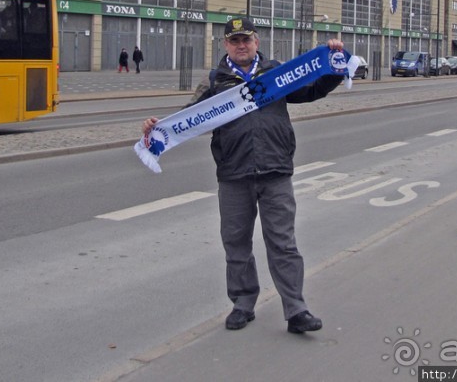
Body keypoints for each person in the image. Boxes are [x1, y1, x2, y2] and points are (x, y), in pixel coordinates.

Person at [142, 17, 345, 335]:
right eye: (234, 40)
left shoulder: (276, 73)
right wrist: (158, 129)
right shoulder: (215, 81)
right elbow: (190, 117)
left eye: (246, 40)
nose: (241, 45)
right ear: (226, 45)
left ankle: (296, 309)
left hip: (275, 171)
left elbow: (312, 90)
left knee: (283, 244)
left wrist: (334, 66)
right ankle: (243, 304)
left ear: (256, 42)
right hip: (234, 174)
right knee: (236, 244)